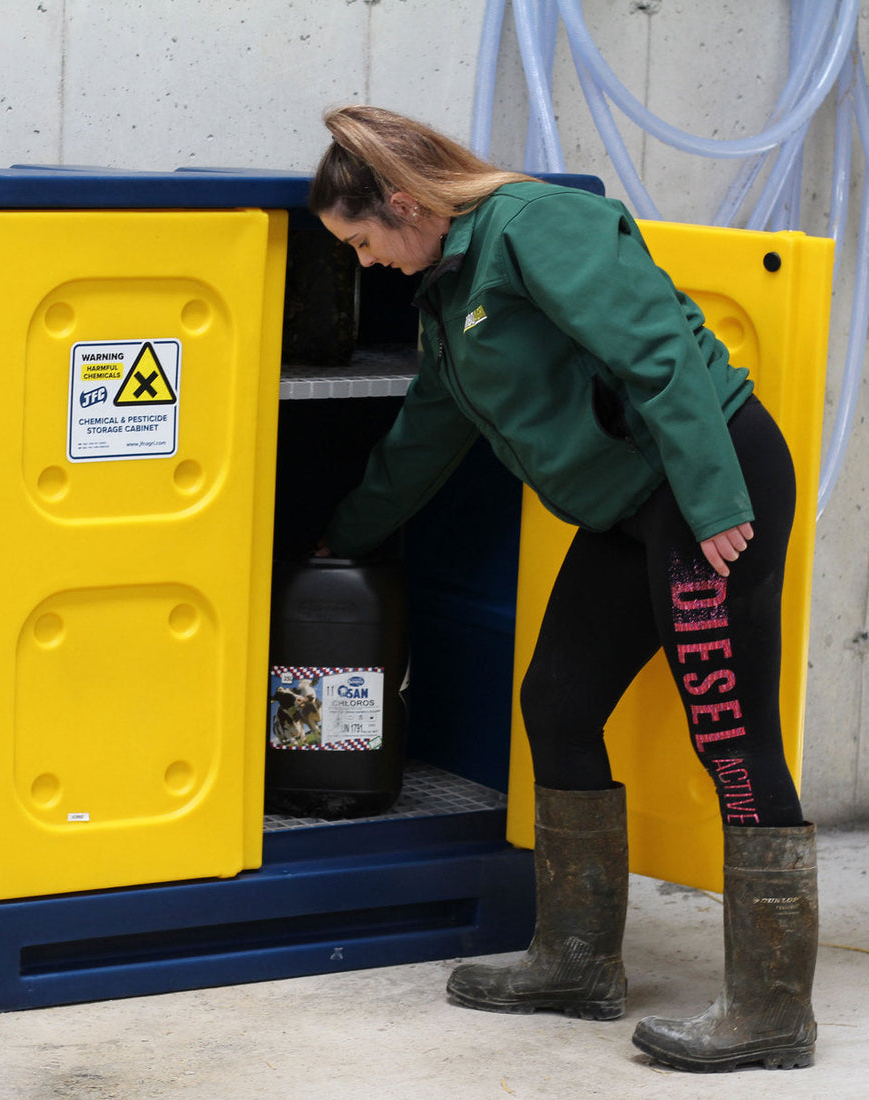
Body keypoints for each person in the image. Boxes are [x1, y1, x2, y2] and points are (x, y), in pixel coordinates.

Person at [309, 104, 818, 1074]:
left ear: (405, 205)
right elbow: (426, 433)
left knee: (729, 729)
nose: (364, 261)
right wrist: (346, 535)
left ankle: (768, 1008)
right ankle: (575, 960)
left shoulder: (532, 227)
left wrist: (712, 503)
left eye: (362, 241)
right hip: (634, 505)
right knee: (555, 697)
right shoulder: (447, 295)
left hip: (706, 478)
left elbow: (656, 351)